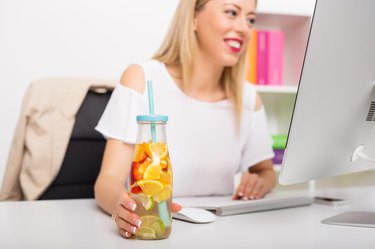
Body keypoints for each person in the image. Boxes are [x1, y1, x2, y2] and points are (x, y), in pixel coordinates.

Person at [94, 0, 275, 238]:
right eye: (232, 12)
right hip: (159, 231)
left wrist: (259, 181)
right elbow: (107, 181)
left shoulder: (249, 98)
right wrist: (124, 207)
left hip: (221, 235)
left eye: (250, 19)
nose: (244, 28)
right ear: (193, 18)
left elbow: (266, 172)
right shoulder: (140, 78)